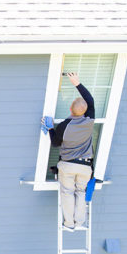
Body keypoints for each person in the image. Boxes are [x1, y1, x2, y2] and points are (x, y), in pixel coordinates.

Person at [47, 72, 95, 232]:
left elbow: (55, 143)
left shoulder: (64, 125)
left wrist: (50, 128)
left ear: (70, 109)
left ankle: (69, 223)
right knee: (80, 192)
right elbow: (90, 101)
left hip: (68, 165)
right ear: (86, 110)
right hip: (85, 167)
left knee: (67, 193)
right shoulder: (89, 120)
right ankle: (80, 222)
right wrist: (77, 83)